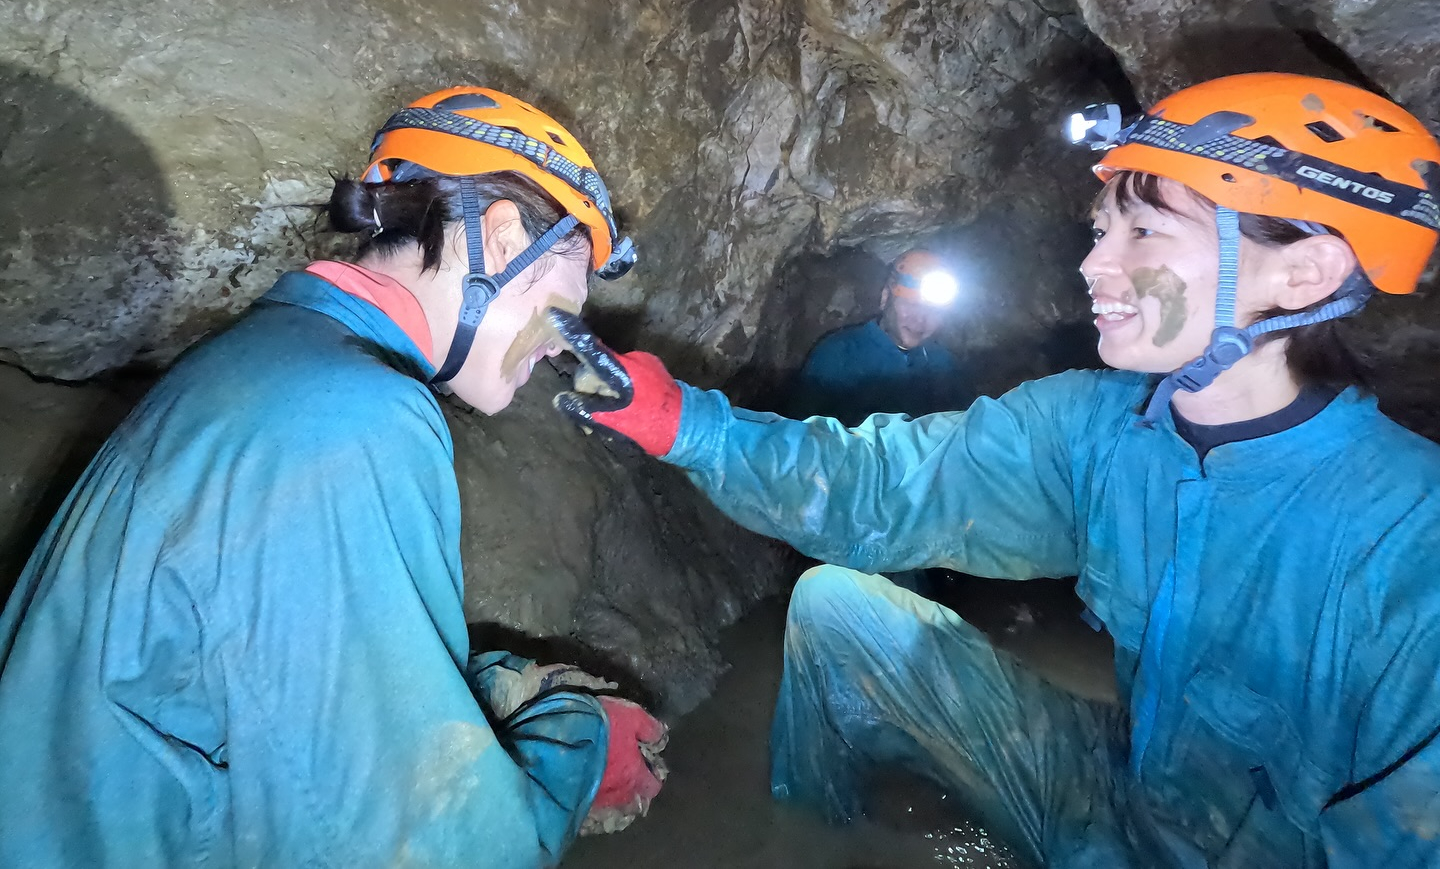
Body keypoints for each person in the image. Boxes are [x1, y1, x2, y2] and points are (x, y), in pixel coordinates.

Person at [552, 73, 1440, 867]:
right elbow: (879, 485)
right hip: (1111, 792)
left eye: (1144, 229)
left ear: (1305, 270)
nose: (1095, 264)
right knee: (836, 606)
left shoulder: (1410, 540)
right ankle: (815, 842)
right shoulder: (1097, 427)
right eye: (1101, 230)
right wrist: (683, 425)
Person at [0, 87, 667, 868]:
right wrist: (578, 740)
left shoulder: (264, 363)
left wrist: (486, 685)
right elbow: (438, 845)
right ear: (502, 234)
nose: (561, 351)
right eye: (562, 312)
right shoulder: (354, 421)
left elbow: (254, 677)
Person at [787, 249, 971, 426]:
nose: (920, 319)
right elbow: (801, 436)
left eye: (932, 310)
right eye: (910, 304)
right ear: (885, 298)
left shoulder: (943, 364)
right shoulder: (838, 356)